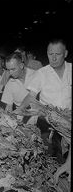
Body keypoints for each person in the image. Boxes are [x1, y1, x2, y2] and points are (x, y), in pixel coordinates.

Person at [15, 38, 71, 171]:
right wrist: (21, 108)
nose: (54, 58)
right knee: (49, 156)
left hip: (69, 123)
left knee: (66, 157)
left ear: (66, 53)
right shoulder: (42, 73)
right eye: (50, 54)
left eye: (57, 54)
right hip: (48, 123)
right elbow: (31, 95)